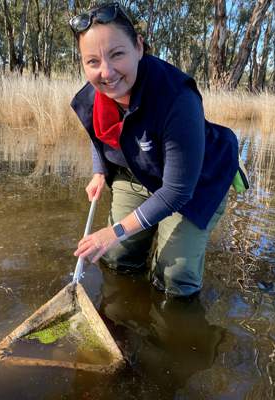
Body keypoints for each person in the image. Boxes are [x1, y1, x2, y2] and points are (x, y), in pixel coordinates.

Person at [70, 2, 245, 297]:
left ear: (138, 47)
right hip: (139, 173)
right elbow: (96, 133)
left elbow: (176, 191)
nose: (107, 72)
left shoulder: (177, 98)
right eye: (92, 61)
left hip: (197, 182)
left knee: (174, 278)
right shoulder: (96, 91)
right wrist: (99, 171)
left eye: (117, 54)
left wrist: (114, 231)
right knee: (115, 258)